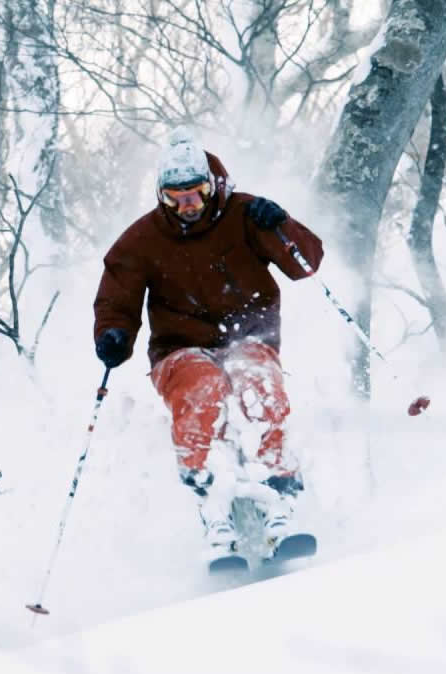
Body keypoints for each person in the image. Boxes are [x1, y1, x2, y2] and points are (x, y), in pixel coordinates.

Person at [92, 126, 324, 560]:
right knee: (201, 387)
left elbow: (306, 263)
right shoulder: (142, 240)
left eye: (196, 194)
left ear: (213, 186)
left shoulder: (245, 215)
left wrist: (281, 225)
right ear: (160, 195)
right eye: (174, 198)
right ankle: (213, 505)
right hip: (180, 349)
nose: (187, 207)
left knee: (256, 379)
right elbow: (116, 296)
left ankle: (279, 496)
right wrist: (113, 335)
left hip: (249, 337)